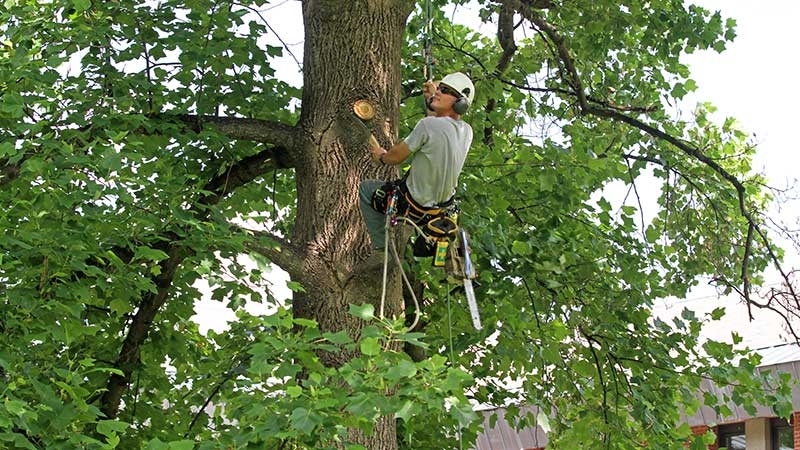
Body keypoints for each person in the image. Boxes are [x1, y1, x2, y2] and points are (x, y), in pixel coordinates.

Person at [359, 72, 475, 252]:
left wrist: (382, 156)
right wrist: (431, 100)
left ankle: (382, 249)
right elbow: (439, 129)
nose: (438, 92)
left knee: (366, 190)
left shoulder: (427, 125)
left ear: (460, 104)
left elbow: (396, 156)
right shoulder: (467, 132)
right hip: (439, 211)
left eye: (444, 90)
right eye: (439, 88)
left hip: (410, 204)